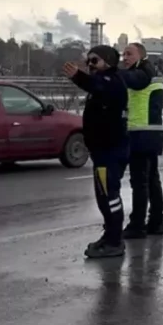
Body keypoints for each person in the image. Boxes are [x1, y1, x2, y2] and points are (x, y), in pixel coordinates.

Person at [63, 46, 130, 258]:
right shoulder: (103, 82)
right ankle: (110, 235)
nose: (90, 64)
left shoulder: (112, 81)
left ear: (108, 62)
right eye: (88, 60)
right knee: (104, 195)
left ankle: (114, 241)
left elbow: (97, 85)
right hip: (102, 150)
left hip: (110, 151)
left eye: (95, 60)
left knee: (108, 196)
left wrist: (77, 76)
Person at [120, 42, 163, 239]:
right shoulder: (148, 71)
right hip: (149, 134)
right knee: (152, 180)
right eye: (123, 54)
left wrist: (111, 70)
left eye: (129, 54)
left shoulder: (143, 72)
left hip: (142, 135)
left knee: (140, 183)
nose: (125, 57)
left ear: (141, 56)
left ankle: (137, 225)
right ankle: (156, 223)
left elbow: (135, 81)